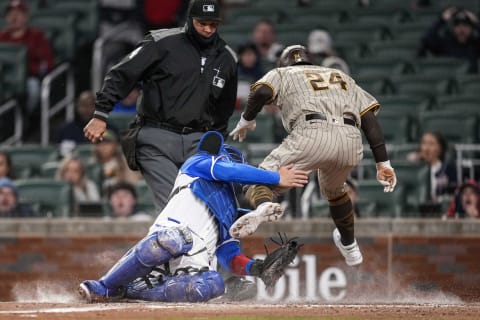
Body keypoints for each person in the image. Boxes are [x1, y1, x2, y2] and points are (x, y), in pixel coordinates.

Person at [78, 131, 308, 303]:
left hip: (189, 268)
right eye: (226, 157)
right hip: (166, 243)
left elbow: (230, 256)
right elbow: (228, 171)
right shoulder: (197, 165)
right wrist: (275, 177)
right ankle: (105, 286)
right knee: (173, 239)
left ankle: (133, 290)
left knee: (214, 284)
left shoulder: (231, 210)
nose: (228, 162)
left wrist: (256, 268)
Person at [229, 45, 397, 267]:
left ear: (283, 63)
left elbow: (260, 92)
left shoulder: (283, 72)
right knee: (336, 191)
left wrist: (246, 120)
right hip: (350, 141)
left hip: (311, 133)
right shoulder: (341, 76)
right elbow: (369, 120)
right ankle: (350, 246)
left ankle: (263, 206)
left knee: (256, 179)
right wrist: (383, 163)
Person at [83, 0, 238, 213]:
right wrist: (101, 113)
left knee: (200, 208)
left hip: (197, 140)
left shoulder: (226, 58)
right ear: (190, 20)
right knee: (174, 204)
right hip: (156, 136)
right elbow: (121, 74)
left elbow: (224, 108)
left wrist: (216, 139)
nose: (208, 29)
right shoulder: (162, 42)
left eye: (213, 24)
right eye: (203, 23)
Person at [0, 0, 55, 114]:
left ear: (25, 17)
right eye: (11, 14)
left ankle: (25, 117)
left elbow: (47, 61)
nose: (14, 17)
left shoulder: (36, 36)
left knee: (33, 88)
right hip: (5, 79)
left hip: (29, 78)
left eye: (18, 14)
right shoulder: (2, 37)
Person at [417, 6, 480, 73]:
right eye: (457, 25)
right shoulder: (445, 43)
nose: (461, 29)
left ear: (471, 29)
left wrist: (476, 22)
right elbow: (426, 39)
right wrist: (442, 20)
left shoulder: (475, 45)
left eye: (465, 25)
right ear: (453, 28)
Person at [407, 131, 457, 207]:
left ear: (441, 148)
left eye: (431, 144)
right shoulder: (414, 168)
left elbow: (453, 193)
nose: (426, 148)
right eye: (424, 143)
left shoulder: (448, 169)